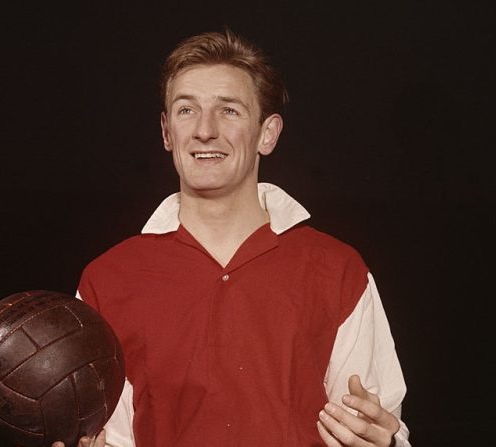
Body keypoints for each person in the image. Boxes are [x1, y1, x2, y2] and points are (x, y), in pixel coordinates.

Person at [61, 29, 410, 447]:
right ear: (167, 131)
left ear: (268, 133)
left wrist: (383, 443)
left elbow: (375, 427)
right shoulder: (107, 281)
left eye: (229, 111)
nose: (205, 130)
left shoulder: (337, 271)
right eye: (186, 110)